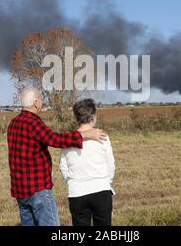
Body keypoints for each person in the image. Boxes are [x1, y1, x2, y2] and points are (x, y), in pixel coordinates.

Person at [7, 87, 106, 226]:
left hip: (20, 189)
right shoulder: (33, 122)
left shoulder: (13, 123)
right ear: (36, 103)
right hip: (37, 188)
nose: (42, 102)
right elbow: (55, 140)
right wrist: (84, 135)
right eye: (41, 99)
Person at [60, 99, 115, 226]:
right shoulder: (103, 137)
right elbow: (110, 164)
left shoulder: (68, 139)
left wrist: (72, 181)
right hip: (101, 189)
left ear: (76, 117)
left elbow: (63, 166)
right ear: (93, 117)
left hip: (77, 193)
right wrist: (107, 181)